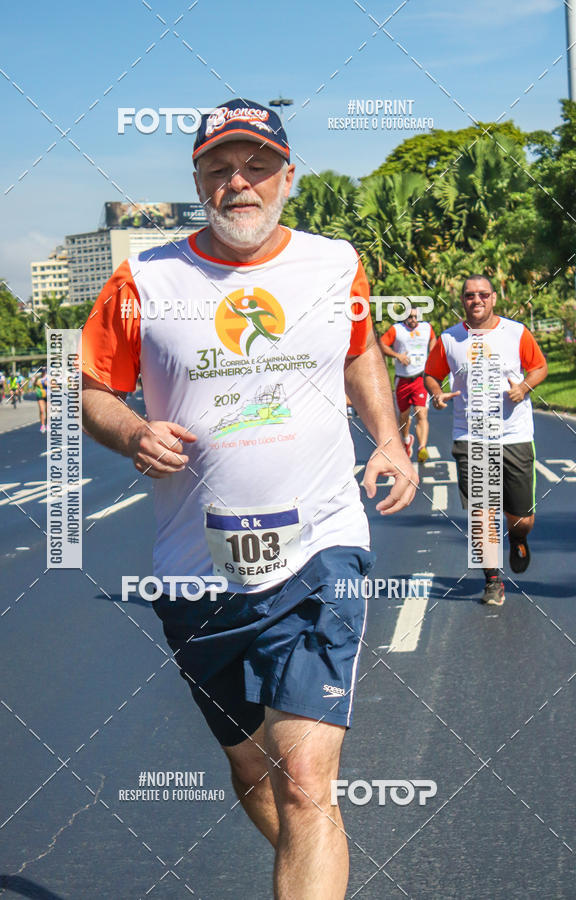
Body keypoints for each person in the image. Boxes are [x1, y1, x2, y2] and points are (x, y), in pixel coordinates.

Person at [81, 98, 418, 899]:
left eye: (257, 165)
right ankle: (319, 846)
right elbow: (94, 387)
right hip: (198, 572)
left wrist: (392, 440)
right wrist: (131, 433)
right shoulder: (143, 278)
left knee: (305, 779)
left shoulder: (336, 264)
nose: (239, 182)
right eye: (219, 168)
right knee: (256, 774)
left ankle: (316, 835)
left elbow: (360, 348)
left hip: (319, 546)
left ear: (288, 176)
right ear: (197, 179)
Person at [424, 275, 547, 606]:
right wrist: (436, 393)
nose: (475, 300)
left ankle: (518, 538)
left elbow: (539, 368)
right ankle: (493, 580)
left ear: (493, 298)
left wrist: (523, 388)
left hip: (514, 435)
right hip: (471, 437)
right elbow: (432, 374)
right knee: (481, 513)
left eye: (482, 295)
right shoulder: (449, 339)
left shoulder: (517, 332)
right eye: (469, 295)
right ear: (462, 300)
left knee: (522, 518)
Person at [380, 308, 437, 461]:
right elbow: (382, 344)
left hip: (420, 378)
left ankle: (422, 448)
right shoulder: (397, 330)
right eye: (410, 317)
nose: (413, 319)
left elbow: (433, 338)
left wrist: (432, 352)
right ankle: (406, 440)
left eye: (415, 316)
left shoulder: (426, 328)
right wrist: (397, 355)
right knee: (404, 416)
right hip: (403, 379)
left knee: (421, 412)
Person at [32, 368, 48, 433]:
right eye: (42, 371)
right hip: (40, 395)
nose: (43, 372)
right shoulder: (37, 378)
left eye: (44, 371)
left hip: (48, 395)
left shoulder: (49, 377)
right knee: (41, 410)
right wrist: (35, 380)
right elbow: (33, 385)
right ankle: (42, 425)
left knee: (48, 411)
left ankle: (48, 424)